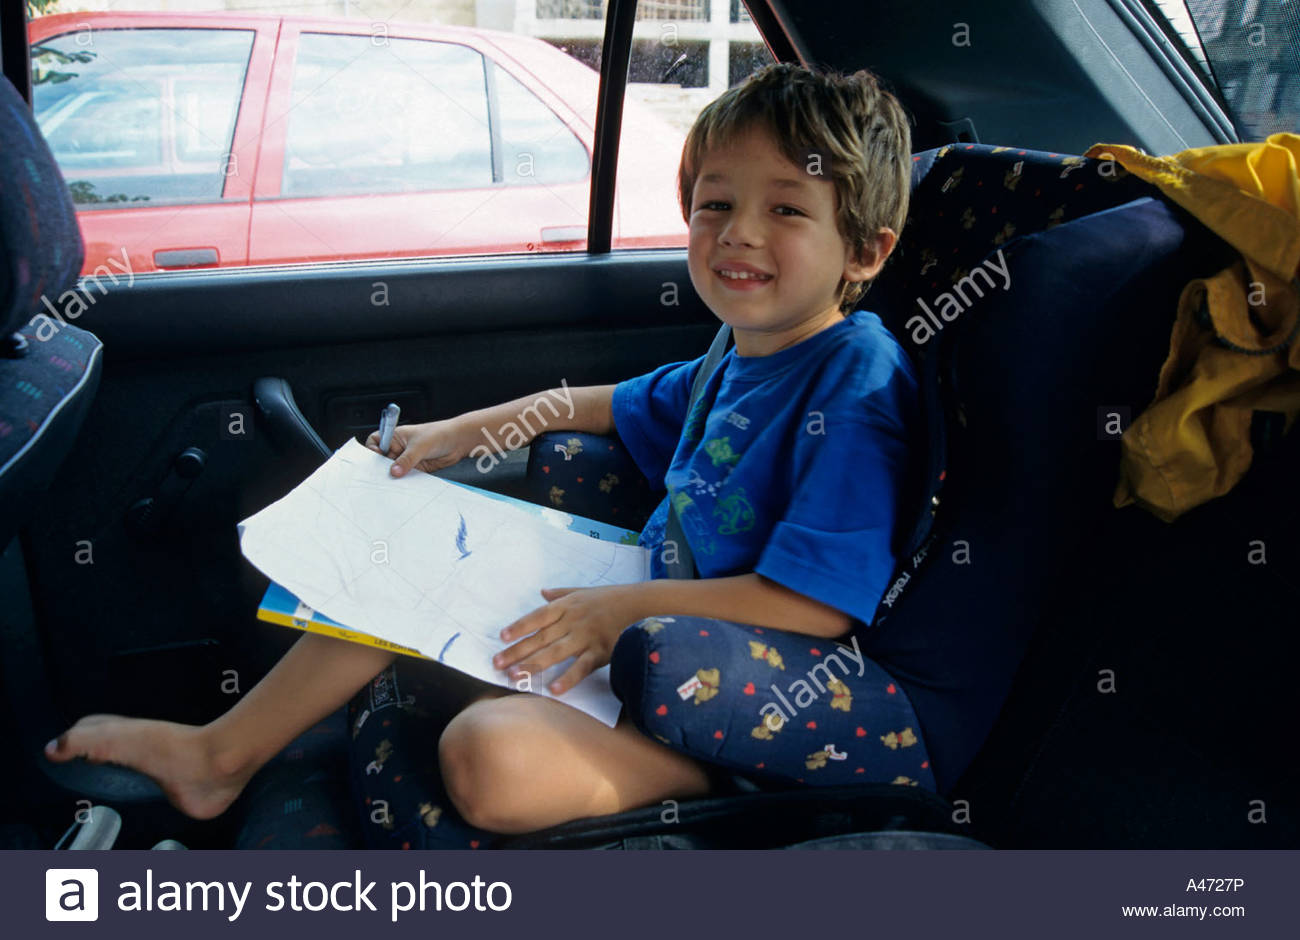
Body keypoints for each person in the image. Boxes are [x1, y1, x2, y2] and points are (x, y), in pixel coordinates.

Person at [43, 63, 936, 842]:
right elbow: (597, 404)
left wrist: (618, 610)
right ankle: (219, 754)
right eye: (716, 203)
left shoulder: (853, 382)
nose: (738, 232)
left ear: (864, 248)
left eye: (785, 207)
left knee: (487, 759)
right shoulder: (737, 355)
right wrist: (452, 437)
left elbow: (816, 605)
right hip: (643, 632)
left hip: (728, 694)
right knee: (402, 544)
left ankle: (706, 789)